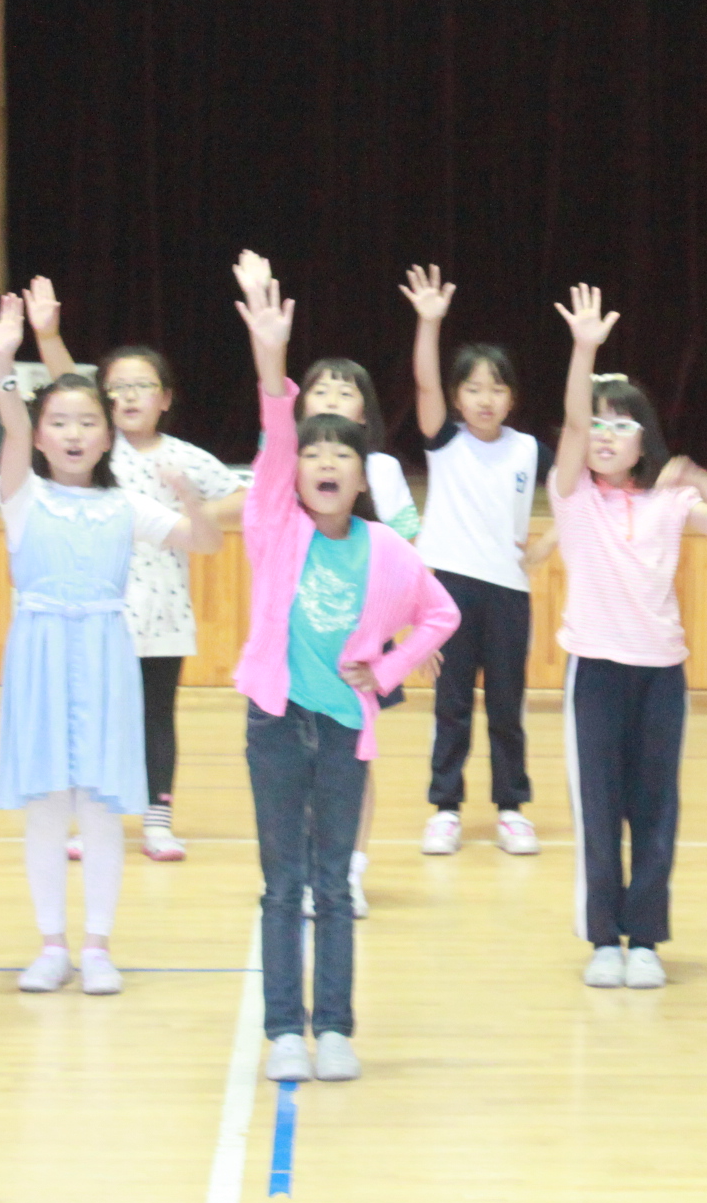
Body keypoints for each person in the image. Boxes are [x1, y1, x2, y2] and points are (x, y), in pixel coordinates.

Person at [231, 258, 458, 1082]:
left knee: (332, 884)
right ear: (295, 471)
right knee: (282, 883)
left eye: (342, 455)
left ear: (363, 476)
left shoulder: (387, 548)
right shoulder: (274, 526)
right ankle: (284, 1030)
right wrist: (271, 358)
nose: (325, 463)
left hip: (341, 730)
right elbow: (276, 434)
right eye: (313, 452)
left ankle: (333, 1028)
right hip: (275, 722)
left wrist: (387, 672)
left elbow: (442, 615)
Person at [0, 297, 223, 1001]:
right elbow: (9, 420)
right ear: (39, 435)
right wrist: (2, 362)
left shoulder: (125, 505)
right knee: (47, 806)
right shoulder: (21, 497)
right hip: (40, 655)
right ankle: (51, 944)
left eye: (88, 422)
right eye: (59, 422)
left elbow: (205, 542)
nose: (73, 433)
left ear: (108, 435)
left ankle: (97, 946)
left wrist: (190, 498)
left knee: (100, 805)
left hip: (105, 655)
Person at [552, 283, 707, 990]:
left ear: (646, 438)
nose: (604, 436)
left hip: (662, 673)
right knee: (598, 809)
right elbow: (572, 426)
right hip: (595, 670)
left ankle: (645, 939)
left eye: (622, 425)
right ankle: (602, 939)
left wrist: (698, 477)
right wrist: (585, 349)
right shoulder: (572, 496)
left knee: (655, 809)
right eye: (597, 425)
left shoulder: (670, 502)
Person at [27, 276, 243, 863]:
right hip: (99, 608)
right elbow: (66, 381)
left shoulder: (184, 457)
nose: (128, 397)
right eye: (116, 388)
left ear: (165, 398)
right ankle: (93, 817)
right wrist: (48, 335)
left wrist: (188, 509)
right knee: (95, 717)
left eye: (142, 386)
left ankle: (157, 821)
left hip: (163, 613)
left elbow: (242, 498)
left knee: (155, 718)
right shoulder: (100, 448)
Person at [234, 249, 414, 915]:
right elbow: (274, 420)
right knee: (294, 771)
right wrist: (269, 351)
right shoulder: (282, 471)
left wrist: (403, 643)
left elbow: (408, 561)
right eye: (320, 391)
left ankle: (347, 867)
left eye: (347, 393)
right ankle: (304, 868)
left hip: (358, 642)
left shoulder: (378, 474)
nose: (332, 403)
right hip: (290, 658)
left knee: (351, 760)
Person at [399, 264, 552, 861]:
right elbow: (423, 384)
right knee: (452, 706)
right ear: (458, 396)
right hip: (450, 592)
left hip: (509, 592)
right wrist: (428, 323)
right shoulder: (446, 441)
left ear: (512, 397)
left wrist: (547, 544)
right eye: (473, 388)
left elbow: (580, 492)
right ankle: (446, 808)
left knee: (508, 709)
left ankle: (512, 808)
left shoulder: (529, 449)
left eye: (496, 388)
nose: (485, 399)